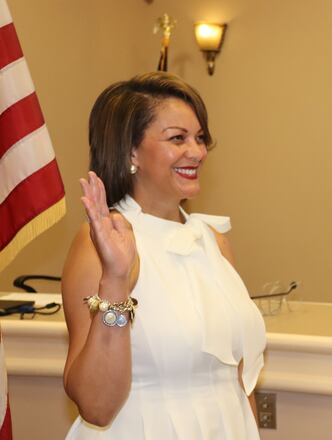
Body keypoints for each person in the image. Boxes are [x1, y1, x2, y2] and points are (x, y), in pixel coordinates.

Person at [60, 72, 266, 439]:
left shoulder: (214, 242)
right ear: (131, 152)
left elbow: (237, 380)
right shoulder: (99, 242)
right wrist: (116, 279)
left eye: (200, 138)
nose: (198, 151)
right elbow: (96, 405)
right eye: (178, 138)